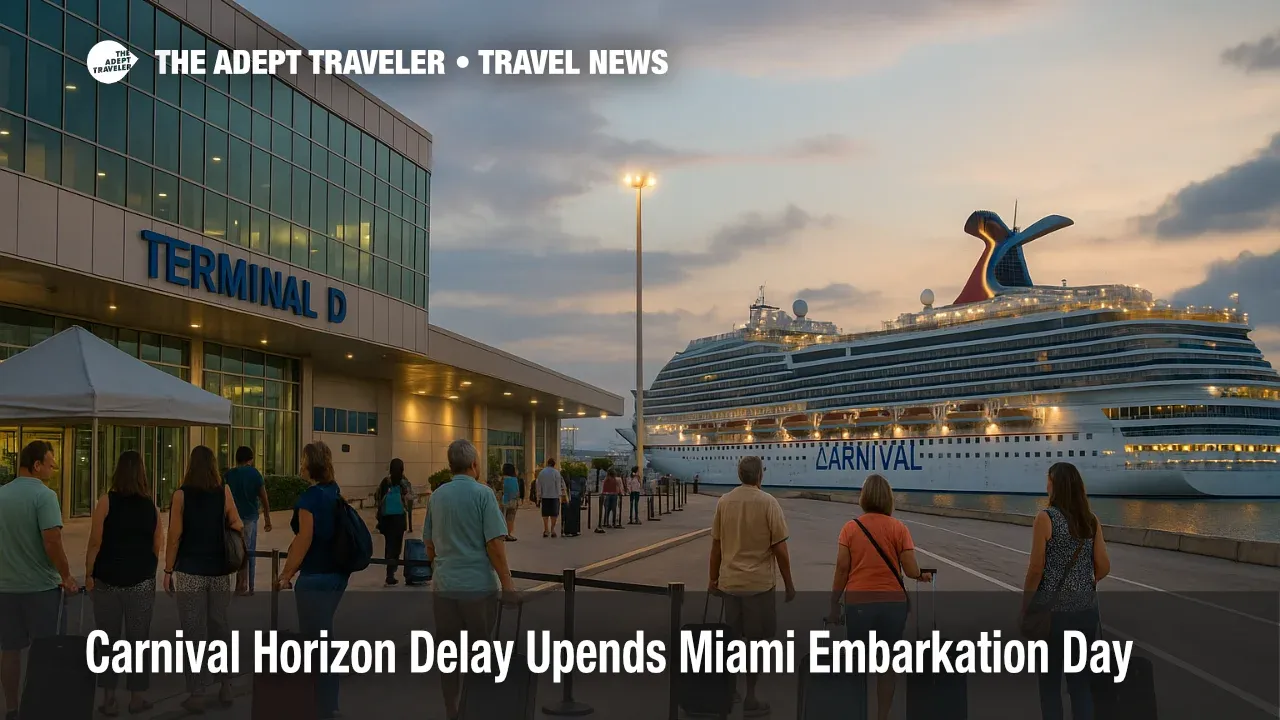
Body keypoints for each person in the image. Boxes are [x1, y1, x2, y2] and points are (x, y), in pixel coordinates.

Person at [423, 439, 518, 720]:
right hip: (477, 587)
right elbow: (495, 546)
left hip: (444, 588)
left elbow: (428, 543)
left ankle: (452, 710)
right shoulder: (483, 494)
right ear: (474, 465)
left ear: (450, 466)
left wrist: (441, 568)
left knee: (449, 657)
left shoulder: (437, 496)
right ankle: (476, 708)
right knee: (480, 653)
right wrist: (508, 585)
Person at [829, 474, 931, 720]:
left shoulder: (850, 528)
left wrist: (834, 604)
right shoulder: (899, 528)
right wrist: (921, 576)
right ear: (889, 499)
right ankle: (881, 716)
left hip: (858, 605)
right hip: (892, 605)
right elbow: (910, 569)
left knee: (857, 663)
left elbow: (842, 569)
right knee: (886, 666)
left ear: (863, 497)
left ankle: (857, 712)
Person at [708, 456, 796, 718]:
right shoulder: (769, 503)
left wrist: (712, 578)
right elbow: (780, 548)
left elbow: (716, 546)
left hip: (730, 584)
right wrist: (789, 584)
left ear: (739, 474)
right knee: (756, 645)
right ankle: (751, 696)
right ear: (760, 476)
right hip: (759, 585)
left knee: (732, 641)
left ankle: (730, 689)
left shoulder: (724, 502)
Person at [1023, 462, 1110, 720]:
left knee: (1049, 686)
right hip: (1086, 613)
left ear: (1056, 485)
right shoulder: (1091, 521)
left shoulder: (1046, 518)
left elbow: (1036, 568)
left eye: (1048, 479)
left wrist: (1027, 604)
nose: (1046, 484)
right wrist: (1084, 583)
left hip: (1053, 615)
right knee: (1080, 684)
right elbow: (1104, 566)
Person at [0, 441, 77, 720]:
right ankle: (41, 708)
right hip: (41, 588)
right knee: (46, 653)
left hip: (5, 587)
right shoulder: (45, 497)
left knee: (9, 650)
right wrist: (66, 575)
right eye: (50, 464)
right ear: (36, 465)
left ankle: (11, 708)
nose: (53, 469)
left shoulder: (2, 494)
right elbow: (52, 540)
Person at [164, 446, 242, 713]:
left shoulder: (180, 495)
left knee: (193, 631)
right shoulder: (224, 492)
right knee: (219, 625)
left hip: (190, 571)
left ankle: (197, 692)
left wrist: (167, 570)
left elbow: (174, 536)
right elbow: (238, 524)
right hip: (220, 570)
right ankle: (226, 686)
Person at [85, 451, 163, 715]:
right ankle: (136, 697)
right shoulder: (150, 506)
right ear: (142, 473)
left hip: (108, 580)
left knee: (108, 640)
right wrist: (148, 571)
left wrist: (88, 574)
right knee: (138, 641)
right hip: (140, 581)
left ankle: (108, 698)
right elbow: (157, 544)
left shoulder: (106, 502)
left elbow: (95, 541)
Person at [276, 442, 350, 719]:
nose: (299, 464)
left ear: (310, 464)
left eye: (302, 459)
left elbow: (304, 539)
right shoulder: (334, 492)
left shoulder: (309, 499)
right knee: (323, 637)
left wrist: (286, 574)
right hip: (337, 576)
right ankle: (326, 701)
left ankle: (321, 703)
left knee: (316, 642)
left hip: (315, 577)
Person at [224, 446, 272, 596]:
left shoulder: (229, 475)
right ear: (250, 459)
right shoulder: (254, 474)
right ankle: (249, 586)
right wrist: (267, 518)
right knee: (249, 551)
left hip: (232, 518)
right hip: (250, 517)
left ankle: (237, 584)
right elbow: (264, 497)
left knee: (234, 550)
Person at [375, 458, 415, 585]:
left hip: (387, 519)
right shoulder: (404, 482)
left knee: (389, 545)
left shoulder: (386, 481)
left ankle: (389, 572)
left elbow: (378, 497)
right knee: (397, 546)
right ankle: (392, 570)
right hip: (399, 519)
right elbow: (410, 498)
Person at [535, 458, 567, 538]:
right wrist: (560, 496)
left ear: (547, 463)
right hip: (554, 496)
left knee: (545, 515)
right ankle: (552, 530)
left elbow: (538, 485)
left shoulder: (542, 473)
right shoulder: (556, 473)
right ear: (554, 464)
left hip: (544, 496)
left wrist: (538, 497)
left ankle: (546, 530)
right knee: (554, 514)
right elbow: (558, 485)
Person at [500, 463, 520, 542]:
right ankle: (508, 534)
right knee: (510, 518)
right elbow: (516, 492)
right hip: (512, 501)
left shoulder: (501, 479)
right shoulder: (514, 480)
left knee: (501, 518)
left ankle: (501, 534)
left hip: (502, 501)